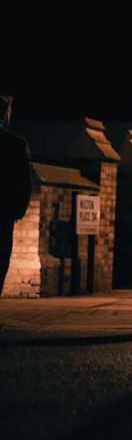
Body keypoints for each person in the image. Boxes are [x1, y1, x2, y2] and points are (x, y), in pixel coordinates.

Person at [0, 97, 32, 295]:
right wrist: (17, 211)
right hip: (3, 215)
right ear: (6, 114)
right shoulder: (15, 144)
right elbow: (24, 183)